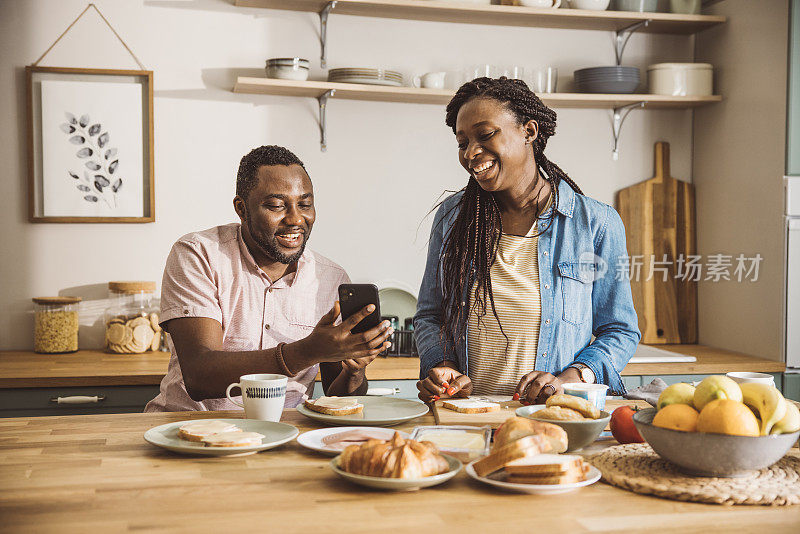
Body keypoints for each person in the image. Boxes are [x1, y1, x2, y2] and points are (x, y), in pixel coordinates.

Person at [414, 77, 640, 406]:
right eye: (462, 142)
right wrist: (443, 366)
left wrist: (570, 378)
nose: (471, 153)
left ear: (529, 131)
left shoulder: (596, 224)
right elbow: (430, 316)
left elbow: (620, 330)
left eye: (486, 134)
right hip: (467, 415)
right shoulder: (452, 219)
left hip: (552, 417)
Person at [145, 145, 393, 412]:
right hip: (190, 429)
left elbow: (337, 397)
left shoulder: (330, 278)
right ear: (241, 208)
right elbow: (199, 376)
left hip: (285, 434)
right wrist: (307, 351)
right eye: (276, 205)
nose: (296, 218)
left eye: (305, 204)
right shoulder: (198, 253)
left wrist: (354, 370)